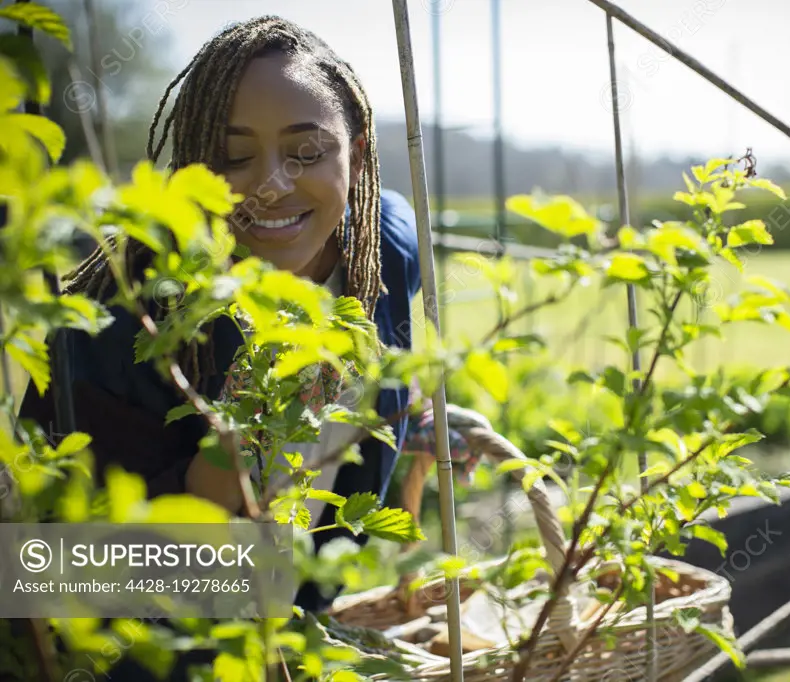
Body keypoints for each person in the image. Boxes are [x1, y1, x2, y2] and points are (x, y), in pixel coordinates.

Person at [14, 14, 481, 680]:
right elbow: (39, 578)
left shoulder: (386, 248)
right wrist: (209, 484)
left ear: (357, 150)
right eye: (233, 156)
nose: (270, 184)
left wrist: (405, 418)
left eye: (306, 151)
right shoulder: (120, 326)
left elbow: (371, 389)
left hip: (301, 631)